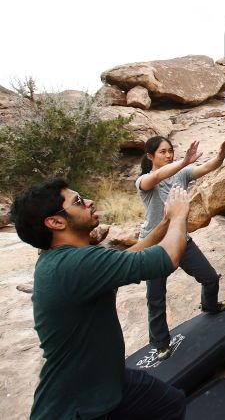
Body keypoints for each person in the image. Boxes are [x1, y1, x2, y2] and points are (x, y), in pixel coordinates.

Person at [11, 179, 191, 419]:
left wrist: (167, 222)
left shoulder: (63, 260)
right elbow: (168, 257)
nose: (89, 201)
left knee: (170, 404)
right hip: (79, 406)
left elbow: (127, 257)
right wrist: (180, 215)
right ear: (55, 222)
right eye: (78, 201)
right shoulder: (74, 265)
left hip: (106, 381)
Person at [137, 135, 225, 361]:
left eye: (170, 150)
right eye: (162, 152)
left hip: (180, 239)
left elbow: (208, 167)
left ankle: (210, 306)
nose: (168, 155)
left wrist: (220, 156)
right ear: (150, 156)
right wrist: (183, 162)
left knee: (210, 278)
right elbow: (158, 175)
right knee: (156, 297)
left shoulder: (182, 174)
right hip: (155, 245)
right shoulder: (144, 180)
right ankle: (160, 343)